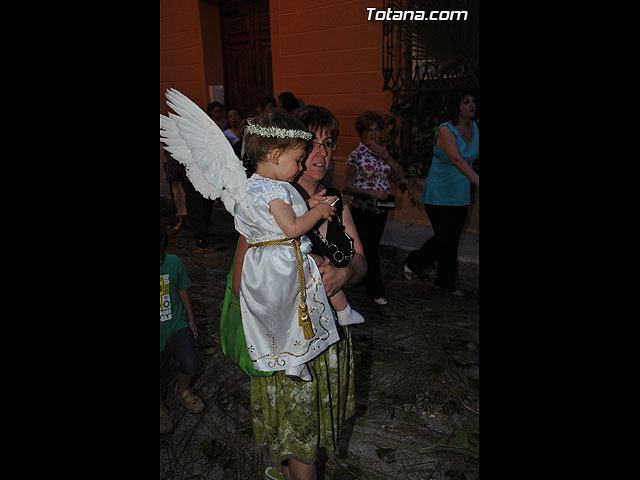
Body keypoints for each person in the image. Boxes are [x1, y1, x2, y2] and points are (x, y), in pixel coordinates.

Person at [232, 105, 367, 480]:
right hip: (291, 342)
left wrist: (343, 274)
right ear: (284, 151)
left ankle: (284, 470)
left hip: (331, 336)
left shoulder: (335, 200)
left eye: (329, 143)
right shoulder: (265, 208)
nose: (322, 153)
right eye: (313, 144)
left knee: (313, 434)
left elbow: (361, 264)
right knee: (301, 437)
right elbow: (242, 282)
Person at [403, 88, 479, 295]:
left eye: (473, 101)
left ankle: (444, 285)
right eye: (466, 101)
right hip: (439, 194)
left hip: (460, 195)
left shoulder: (474, 127)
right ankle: (414, 262)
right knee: (445, 238)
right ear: (456, 106)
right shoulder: (446, 130)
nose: (471, 105)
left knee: (451, 240)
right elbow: (457, 159)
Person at [344, 110, 404, 305]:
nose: (374, 133)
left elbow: (400, 174)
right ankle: (375, 289)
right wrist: (372, 193)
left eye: (377, 129)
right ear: (361, 133)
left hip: (381, 210)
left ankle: (360, 278)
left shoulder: (382, 152)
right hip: (363, 209)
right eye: (369, 130)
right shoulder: (356, 156)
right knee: (370, 249)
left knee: (371, 247)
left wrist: (387, 157)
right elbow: (347, 187)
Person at [160, 227, 204, 434]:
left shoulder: (174, 263)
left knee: (188, 358)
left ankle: (183, 390)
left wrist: (191, 319)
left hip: (176, 323)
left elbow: (182, 290)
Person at [164, 150, 187, 230]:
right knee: (178, 193)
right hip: (173, 164)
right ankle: (182, 217)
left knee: (180, 194)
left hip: (178, 163)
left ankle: (183, 218)